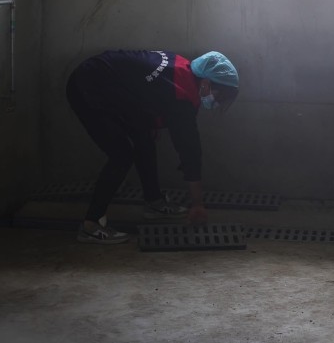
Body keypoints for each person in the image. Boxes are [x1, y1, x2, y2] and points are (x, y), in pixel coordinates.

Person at [66, 50, 239, 244]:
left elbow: (144, 88)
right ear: (206, 84)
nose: (217, 102)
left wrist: (147, 121)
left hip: (106, 83)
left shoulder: (183, 68)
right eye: (219, 95)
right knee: (121, 154)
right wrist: (197, 204)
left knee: (144, 138)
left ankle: (153, 202)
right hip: (89, 87)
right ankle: (91, 225)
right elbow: (189, 151)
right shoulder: (181, 96)